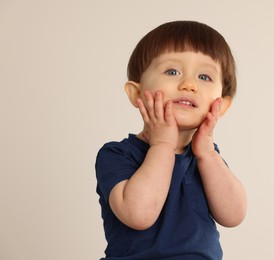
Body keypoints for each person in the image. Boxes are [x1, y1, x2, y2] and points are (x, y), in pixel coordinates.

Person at [95, 20, 247, 260]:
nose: (189, 84)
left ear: (222, 105)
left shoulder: (208, 158)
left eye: (204, 76)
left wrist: (207, 154)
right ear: (137, 94)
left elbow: (234, 215)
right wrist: (162, 145)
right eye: (172, 71)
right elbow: (139, 214)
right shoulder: (117, 154)